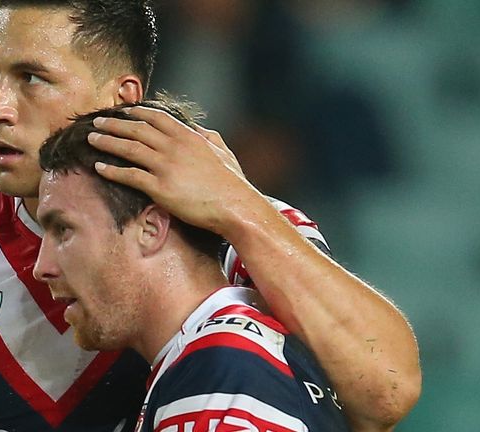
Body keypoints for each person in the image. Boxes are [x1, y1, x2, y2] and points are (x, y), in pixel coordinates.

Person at [0, 1, 420, 431]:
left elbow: (386, 393)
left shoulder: (236, 235)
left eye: (32, 77)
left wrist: (241, 204)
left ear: (121, 98)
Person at [34, 98, 351, 431]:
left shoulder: (220, 375)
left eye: (63, 230)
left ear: (151, 229)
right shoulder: (228, 350)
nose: (42, 266)